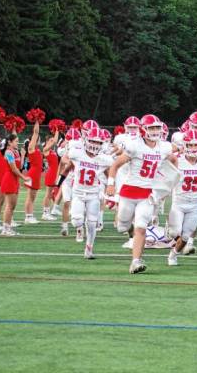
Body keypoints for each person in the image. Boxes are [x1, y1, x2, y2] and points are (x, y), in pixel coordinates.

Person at [106, 114, 176, 274]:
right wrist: (110, 184)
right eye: (151, 127)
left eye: (157, 127)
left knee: (141, 227)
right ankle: (127, 230)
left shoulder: (164, 147)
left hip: (147, 194)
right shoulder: (134, 145)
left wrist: (168, 183)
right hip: (129, 191)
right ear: (143, 129)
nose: (155, 131)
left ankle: (136, 261)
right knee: (122, 225)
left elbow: (173, 161)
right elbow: (115, 165)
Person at [166, 130, 197, 266]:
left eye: (196, 145)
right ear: (185, 146)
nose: (194, 148)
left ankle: (173, 255)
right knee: (175, 232)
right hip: (179, 203)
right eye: (191, 145)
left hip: (195, 205)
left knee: (186, 236)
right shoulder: (177, 160)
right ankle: (170, 229)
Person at [67, 127, 113, 258]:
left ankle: (89, 249)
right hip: (78, 193)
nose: (95, 145)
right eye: (93, 141)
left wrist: (111, 184)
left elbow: (109, 172)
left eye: (98, 142)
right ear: (86, 140)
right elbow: (66, 161)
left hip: (93, 194)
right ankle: (79, 229)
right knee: (77, 221)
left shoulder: (104, 159)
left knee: (92, 223)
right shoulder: (76, 153)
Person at [0, 134, 32, 236]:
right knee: (9, 206)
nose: (17, 143)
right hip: (9, 179)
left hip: (15, 179)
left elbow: (21, 166)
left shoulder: (15, 152)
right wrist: (24, 177)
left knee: (12, 206)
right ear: (10, 142)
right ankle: (5, 229)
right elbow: (13, 169)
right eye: (16, 141)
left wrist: (22, 155)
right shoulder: (8, 152)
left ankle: (8, 227)